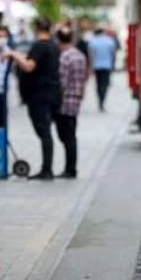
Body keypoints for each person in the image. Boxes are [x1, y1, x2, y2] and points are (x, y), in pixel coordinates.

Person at [7, 18, 61, 180]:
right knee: (46, 132)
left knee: (44, 132)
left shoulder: (40, 46)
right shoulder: (53, 45)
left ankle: (47, 170)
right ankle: (47, 168)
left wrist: (15, 55)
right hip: (52, 94)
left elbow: (29, 66)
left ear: (36, 29)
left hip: (40, 96)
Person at [55, 26, 87, 178]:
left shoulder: (64, 57)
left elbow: (62, 81)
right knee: (71, 135)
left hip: (65, 101)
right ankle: (71, 167)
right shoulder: (80, 55)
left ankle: (70, 169)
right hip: (76, 99)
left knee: (66, 137)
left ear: (58, 39)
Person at [88, 26, 117, 112]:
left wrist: (91, 66)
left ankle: (100, 100)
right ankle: (102, 100)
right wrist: (113, 64)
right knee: (105, 84)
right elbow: (113, 54)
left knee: (98, 84)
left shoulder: (92, 41)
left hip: (96, 66)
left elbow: (91, 55)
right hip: (107, 66)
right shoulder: (109, 41)